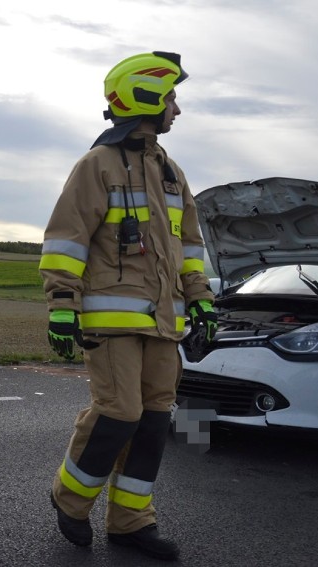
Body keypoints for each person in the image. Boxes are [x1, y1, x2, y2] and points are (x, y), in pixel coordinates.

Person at [39, 52, 216, 561]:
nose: (177, 110)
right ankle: (70, 500)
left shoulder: (170, 171)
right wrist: (61, 305)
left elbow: (189, 248)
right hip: (111, 325)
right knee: (119, 415)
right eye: (172, 98)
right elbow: (66, 240)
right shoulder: (96, 166)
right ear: (148, 97)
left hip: (164, 325)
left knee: (156, 420)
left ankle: (131, 522)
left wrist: (200, 302)